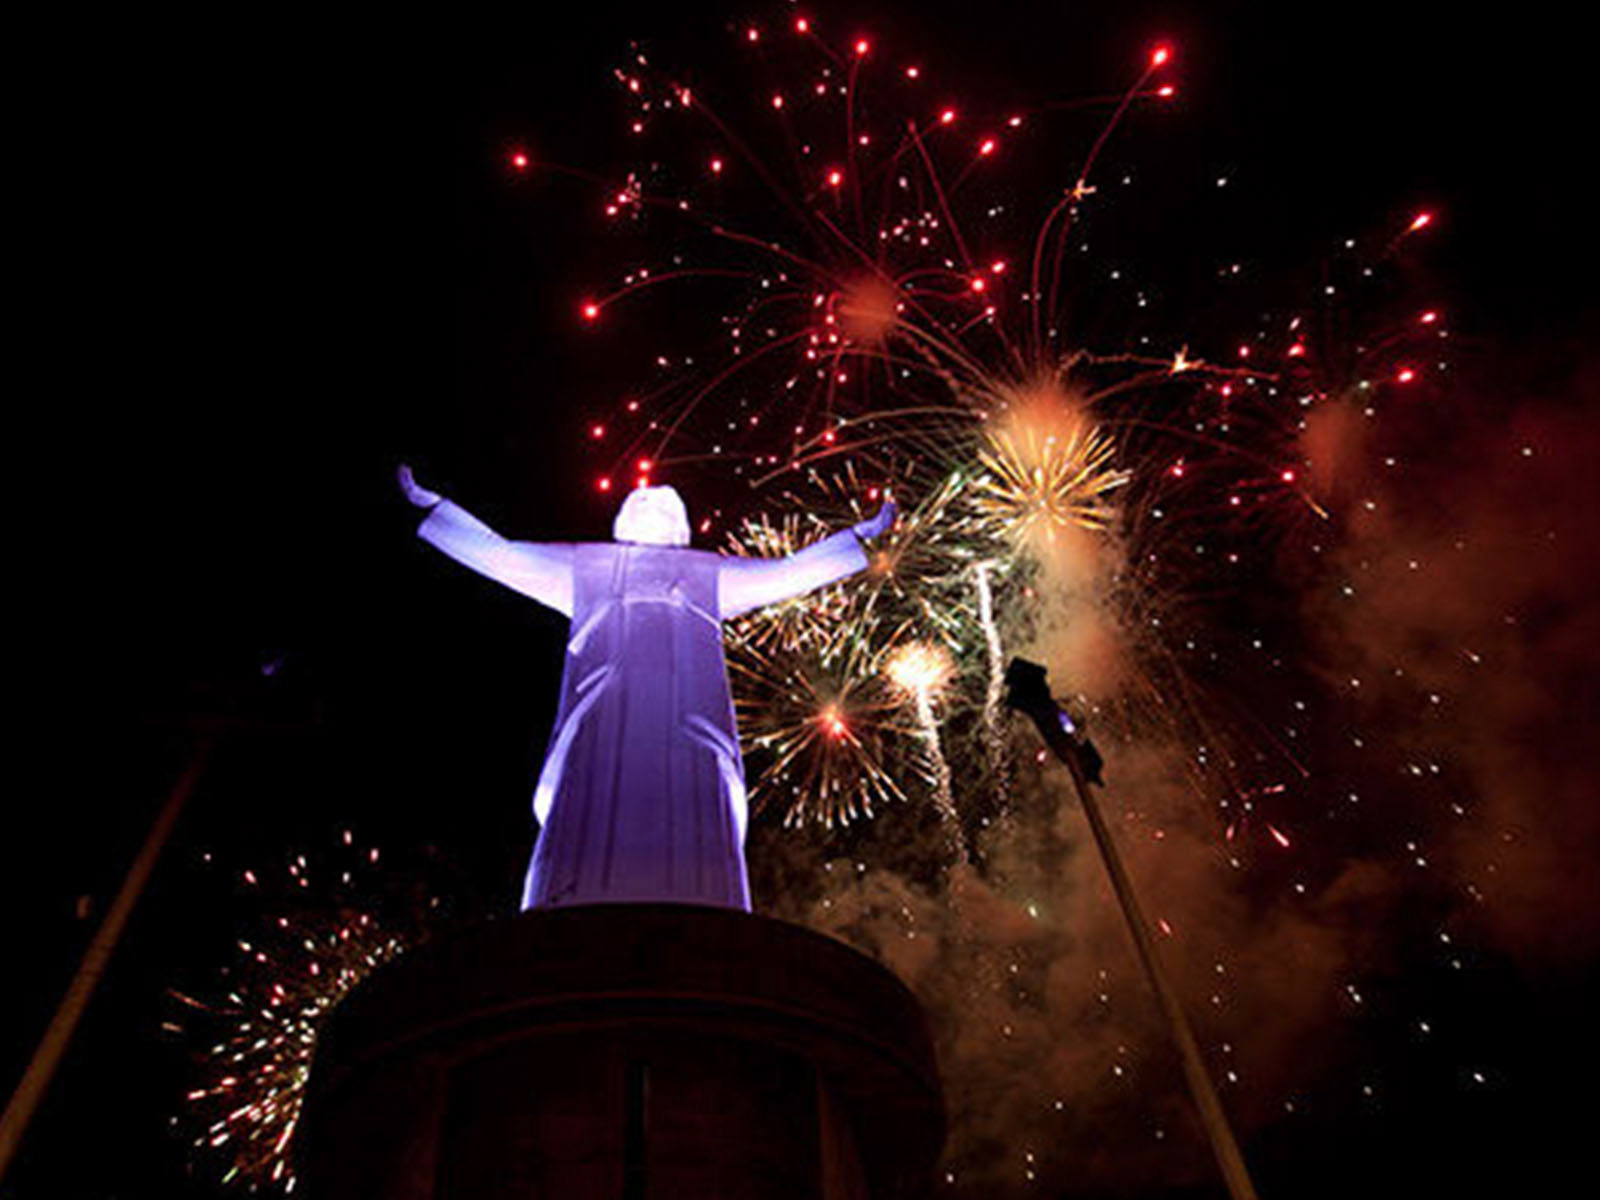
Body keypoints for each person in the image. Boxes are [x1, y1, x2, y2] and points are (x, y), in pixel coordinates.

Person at [398, 465, 896, 910]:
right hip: (601, 728)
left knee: (694, 824)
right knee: (588, 813)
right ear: (620, 521)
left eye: (662, 504)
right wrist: (438, 509)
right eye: (639, 501)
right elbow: (503, 555)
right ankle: (567, 913)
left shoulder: (709, 572)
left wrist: (857, 538)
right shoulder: (586, 564)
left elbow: (789, 572)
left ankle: (705, 920)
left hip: (691, 733)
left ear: (681, 527)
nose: (649, 504)